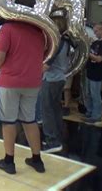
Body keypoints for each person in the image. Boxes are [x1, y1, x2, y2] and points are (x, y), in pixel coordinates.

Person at [0, 0, 45, 175]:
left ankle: (9, 161)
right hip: (33, 82)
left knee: (8, 122)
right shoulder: (41, 30)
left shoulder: (8, 28)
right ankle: (37, 159)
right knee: (29, 121)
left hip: (10, 81)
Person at [39, 14, 70, 153]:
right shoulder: (66, 40)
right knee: (56, 109)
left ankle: (52, 141)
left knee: (47, 110)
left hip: (51, 79)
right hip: (60, 78)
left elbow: (46, 66)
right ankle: (57, 136)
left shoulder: (56, 43)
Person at [82, 22, 102, 125]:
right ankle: (89, 112)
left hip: (97, 72)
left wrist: (87, 53)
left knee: (95, 95)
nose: (95, 33)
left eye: (96, 31)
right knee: (88, 94)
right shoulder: (95, 43)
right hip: (90, 70)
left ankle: (97, 116)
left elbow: (99, 59)